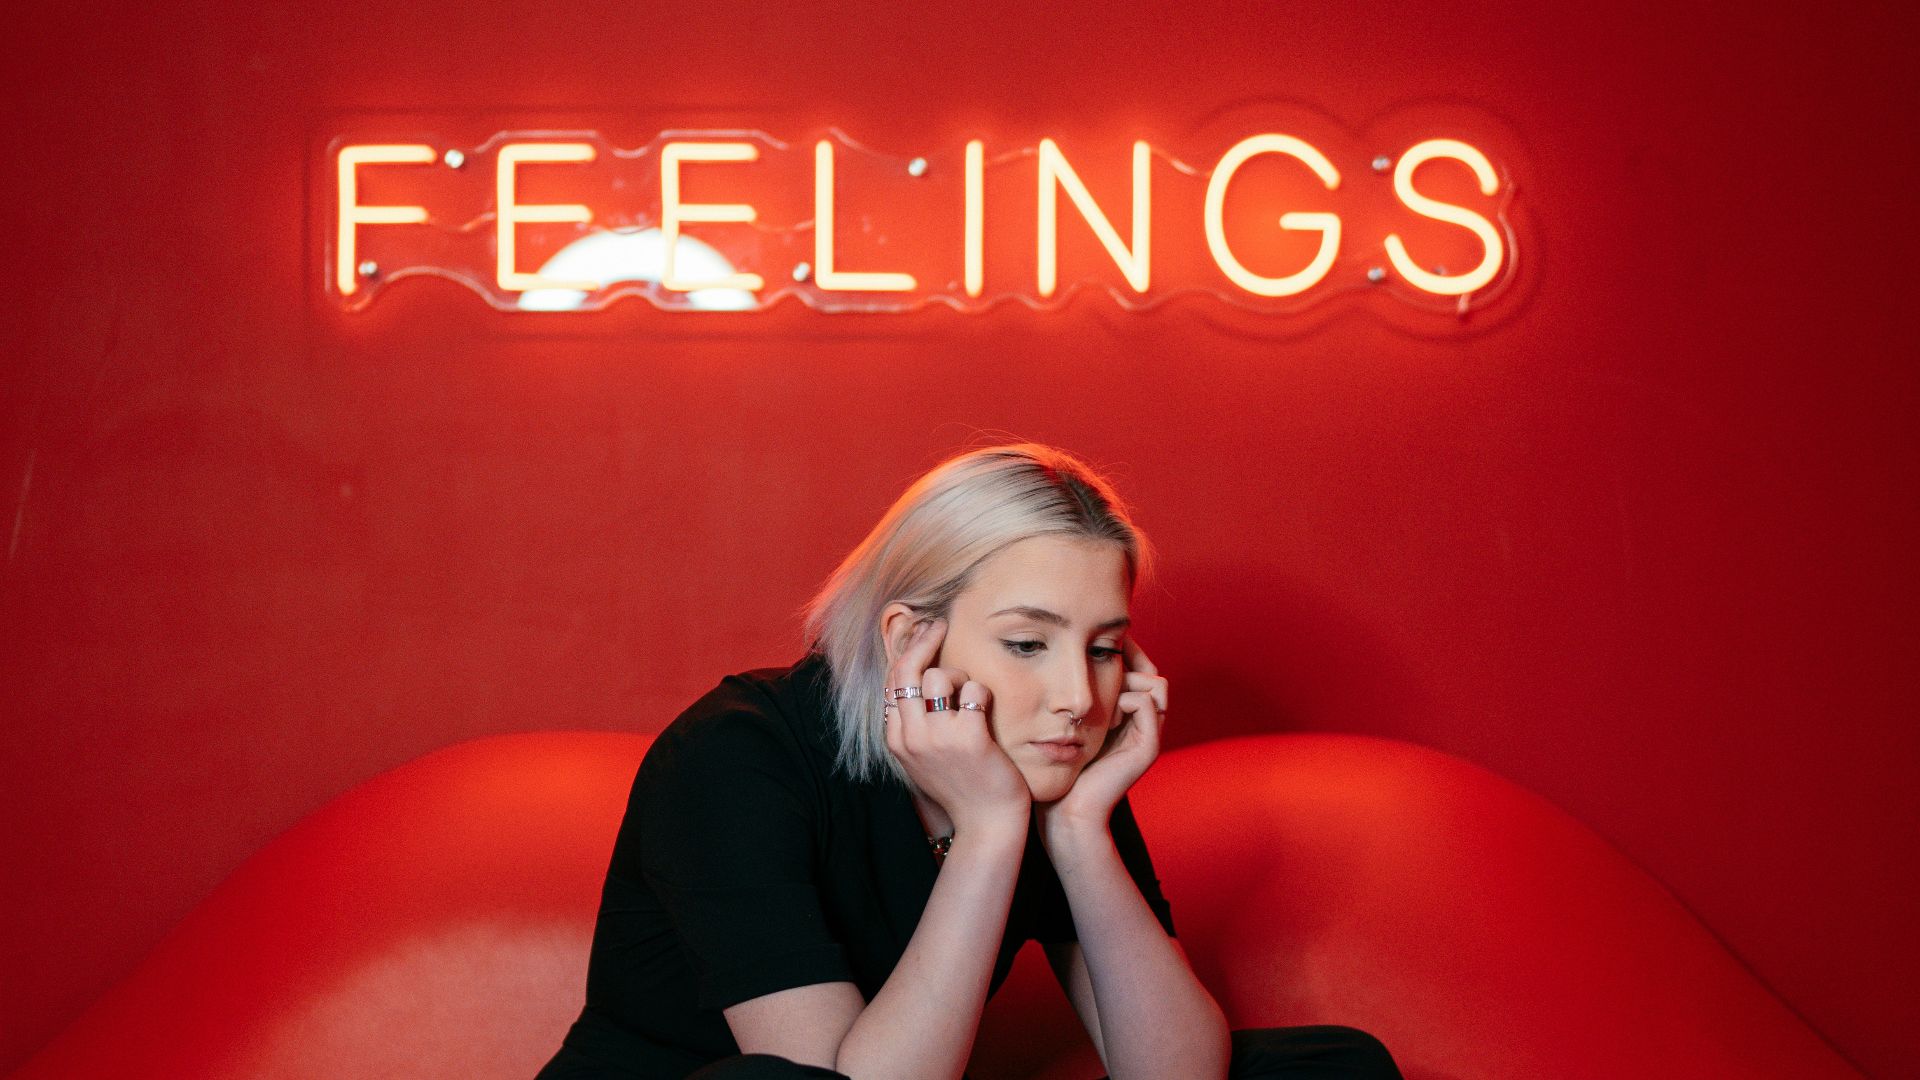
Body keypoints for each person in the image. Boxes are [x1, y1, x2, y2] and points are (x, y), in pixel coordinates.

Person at [535, 442, 1403, 1079]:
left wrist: (1080, 831)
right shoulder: (734, 754)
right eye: (1028, 643)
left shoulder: (1050, 753)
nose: (1079, 696)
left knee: (1329, 1067)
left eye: (1104, 650)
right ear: (913, 641)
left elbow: (1174, 1076)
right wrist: (990, 832)